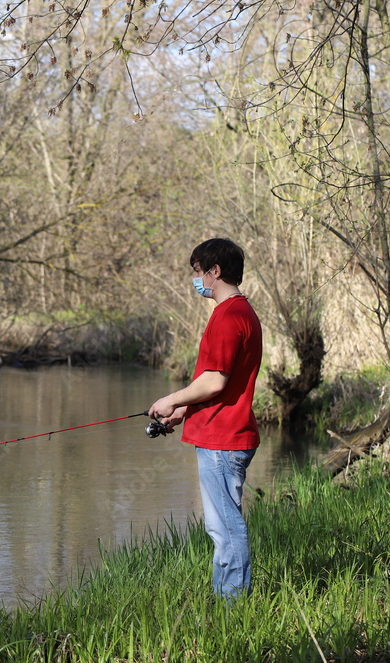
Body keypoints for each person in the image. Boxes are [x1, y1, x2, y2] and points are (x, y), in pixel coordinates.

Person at [147, 237, 263, 600]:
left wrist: (169, 399)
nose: (196, 279)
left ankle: (233, 606)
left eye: (198, 271)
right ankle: (224, 599)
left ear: (215, 271)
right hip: (222, 433)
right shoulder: (241, 312)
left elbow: (215, 381)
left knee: (224, 528)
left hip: (222, 439)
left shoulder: (229, 317)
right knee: (221, 526)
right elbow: (223, 383)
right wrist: (183, 411)